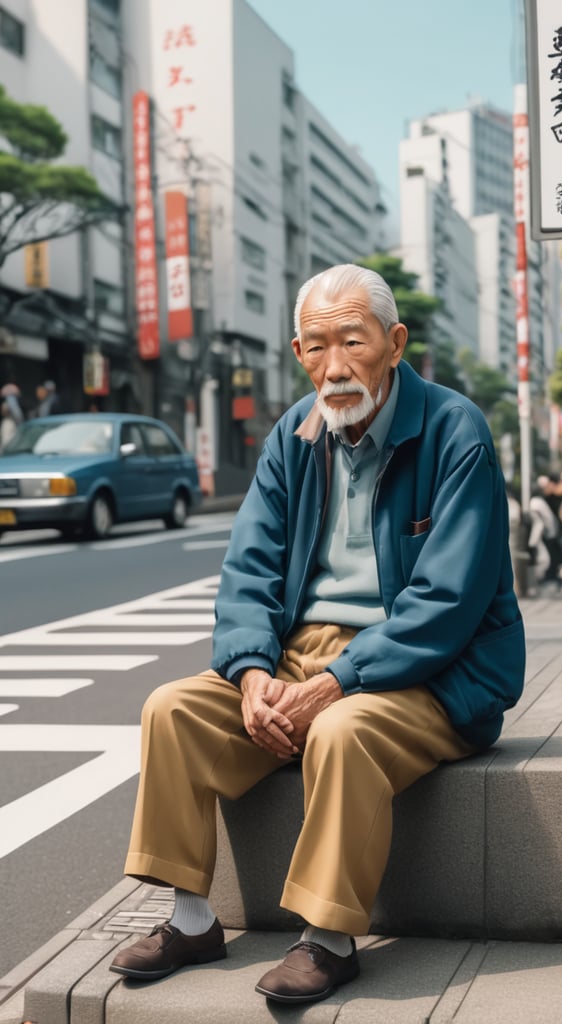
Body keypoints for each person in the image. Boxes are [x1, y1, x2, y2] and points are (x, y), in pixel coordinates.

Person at [109, 264, 526, 1006]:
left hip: (432, 670)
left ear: (394, 344)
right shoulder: (294, 436)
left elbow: (447, 602)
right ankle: (191, 918)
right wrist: (251, 673)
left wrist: (335, 682)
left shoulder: (454, 429)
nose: (334, 367)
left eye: (352, 342)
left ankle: (328, 938)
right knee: (172, 709)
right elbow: (249, 571)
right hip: (303, 656)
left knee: (340, 731)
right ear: (296, 353)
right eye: (315, 346)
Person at [530, 479, 562, 585]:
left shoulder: (535, 503)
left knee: (547, 558)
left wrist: (532, 541)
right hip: (551, 532)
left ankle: (549, 579)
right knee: (552, 558)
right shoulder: (540, 501)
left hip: (548, 534)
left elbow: (539, 523)